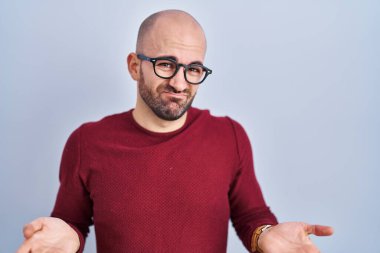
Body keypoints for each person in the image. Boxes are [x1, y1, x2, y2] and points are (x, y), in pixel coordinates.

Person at [17, 9, 333, 253]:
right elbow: (70, 224)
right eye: (166, 64)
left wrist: (266, 236)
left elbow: (251, 216)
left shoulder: (229, 137)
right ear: (133, 65)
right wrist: (66, 238)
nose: (180, 84)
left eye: (193, 69)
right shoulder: (87, 141)